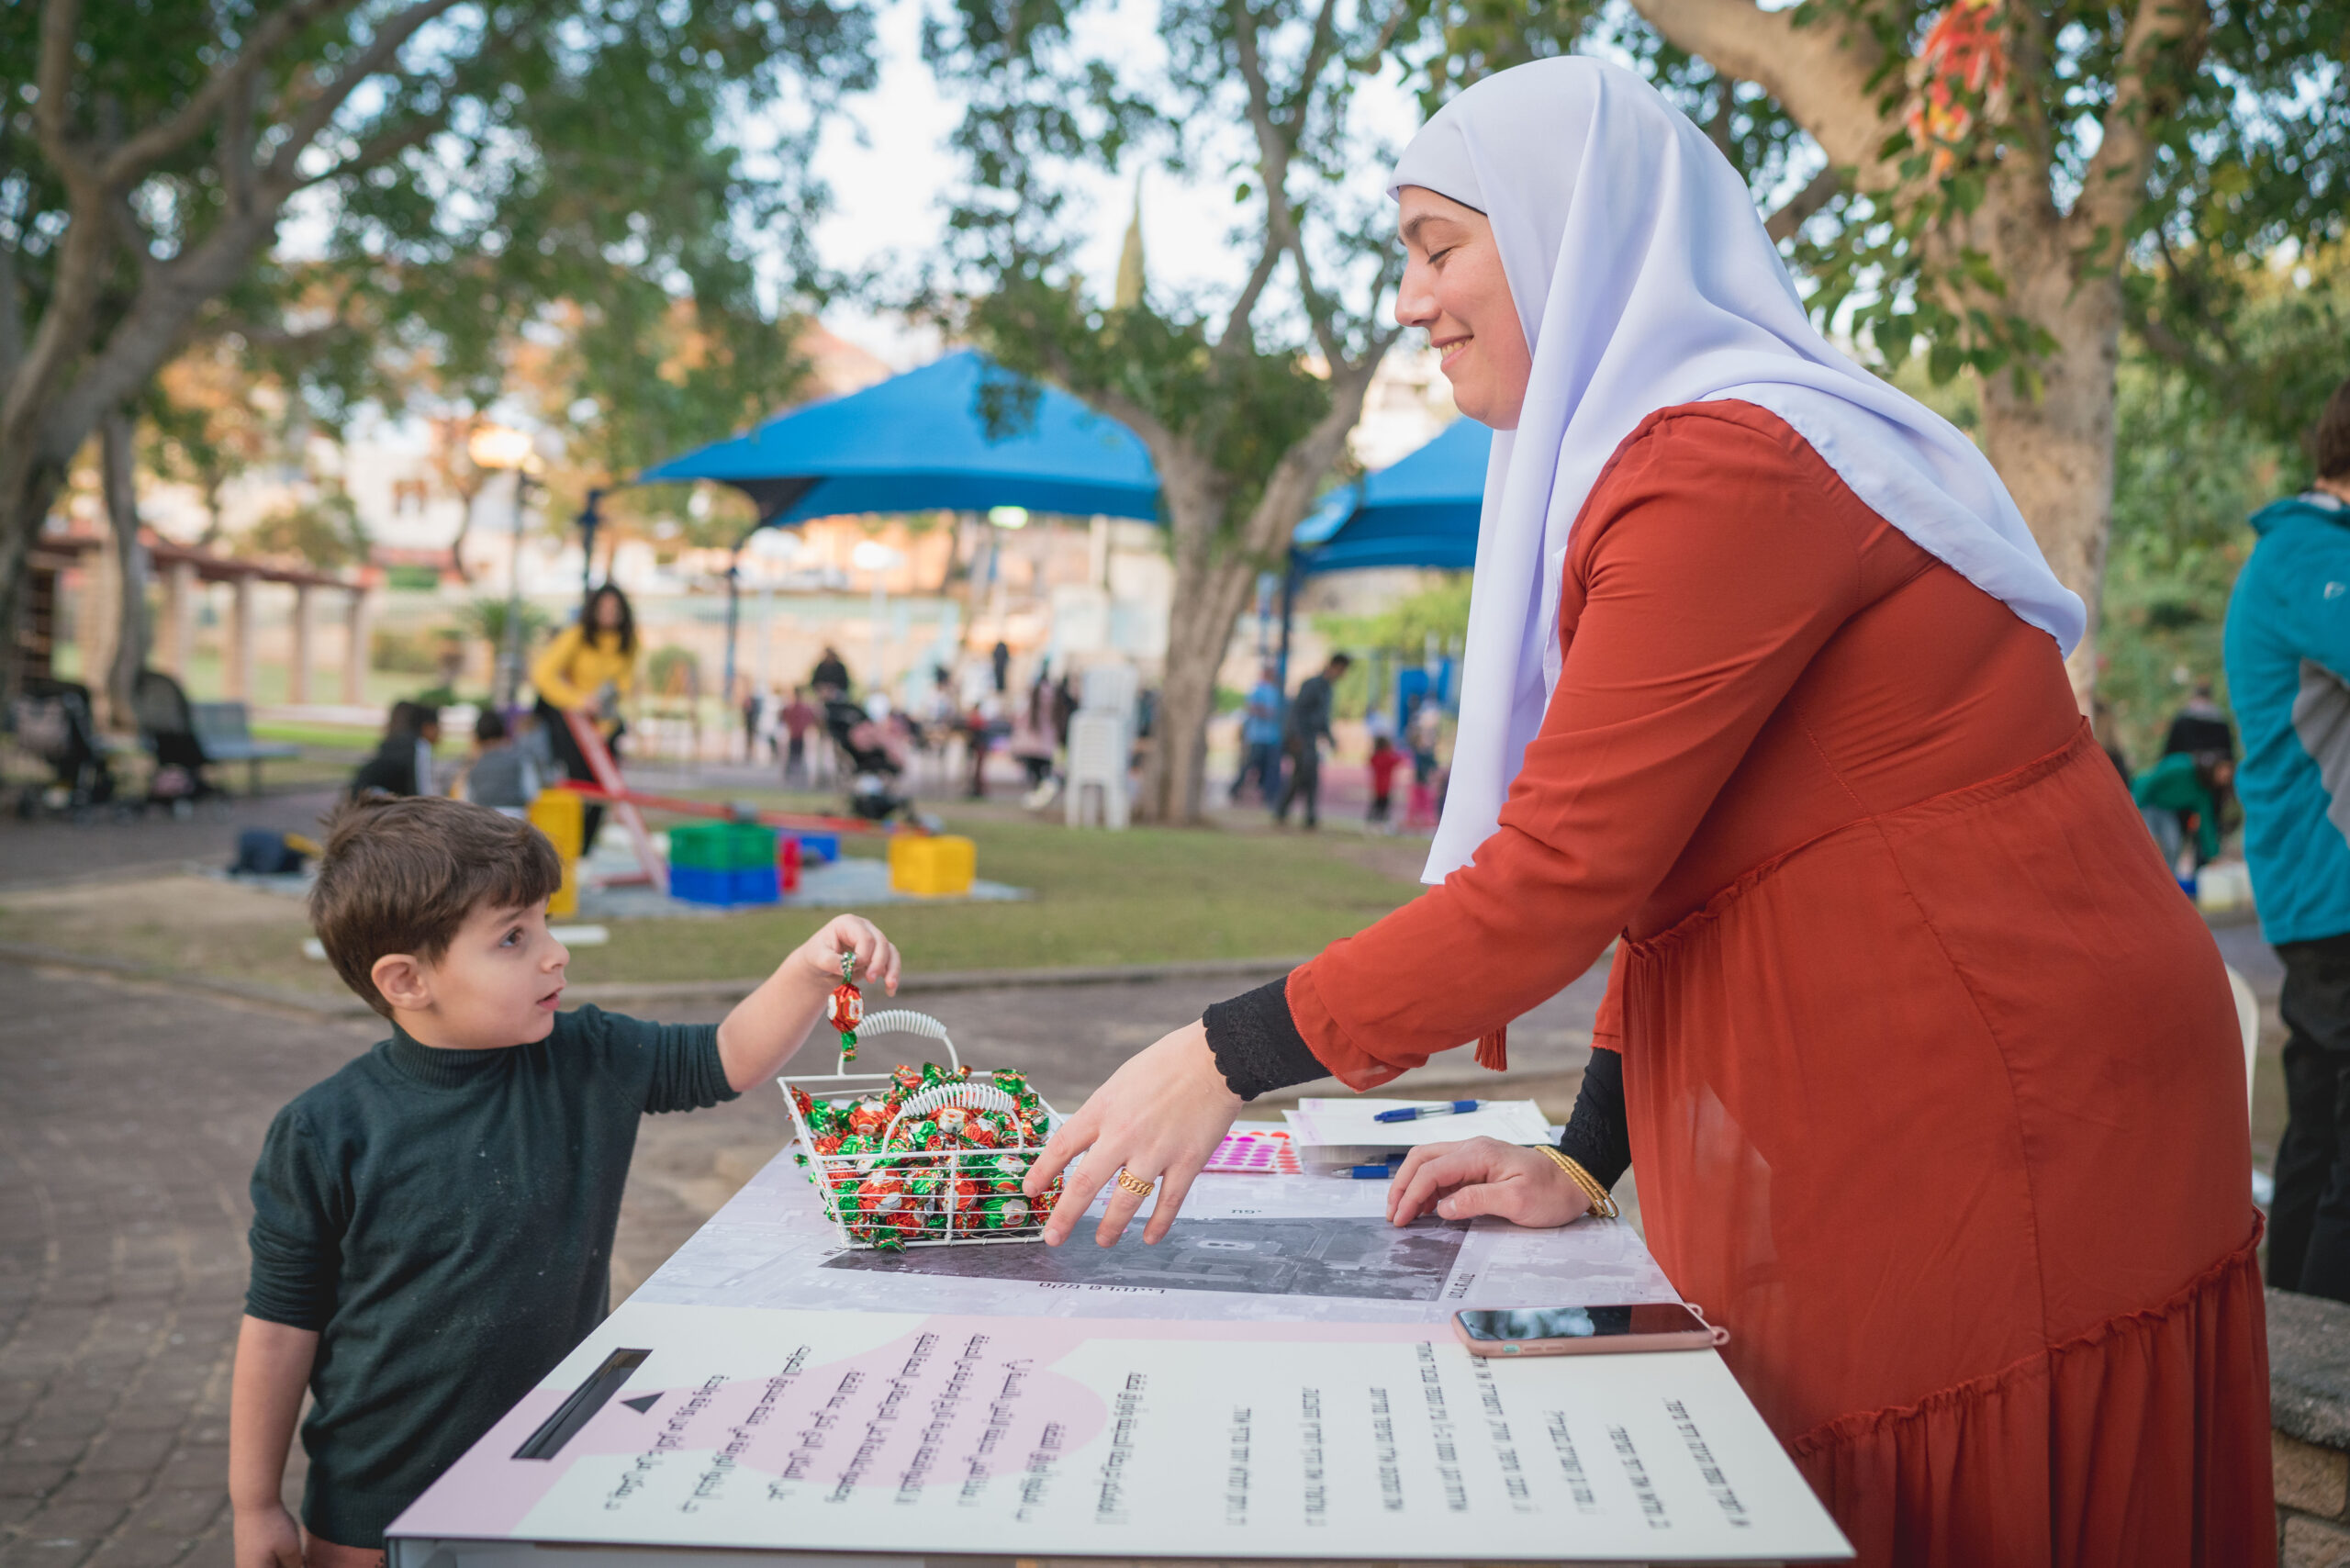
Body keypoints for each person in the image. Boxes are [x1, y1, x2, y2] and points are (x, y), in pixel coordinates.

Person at [1028, 59, 2268, 1564]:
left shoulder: (1725, 463)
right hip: (1946, 1070)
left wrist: (1222, 1056)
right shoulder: (1680, 456)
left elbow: (1558, 878)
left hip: (2006, 1097)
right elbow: (1666, 872)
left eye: (1437, 246)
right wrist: (1586, 1152)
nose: (1409, 303)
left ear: (1569, 229)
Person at [227, 796, 902, 1568]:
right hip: (378, 1507)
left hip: (555, 1473)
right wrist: (255, 1503)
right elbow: (279, 1328)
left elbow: (725, 1057)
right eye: (513, 937)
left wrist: (808, 969)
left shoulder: (586, 1057)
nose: (555, 955)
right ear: (407, 980)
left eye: (545, 923)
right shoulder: (324, 1133)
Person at [2223, 373, 2350, 1308]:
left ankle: (2288, 1347)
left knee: (2317, 1135)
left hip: (2322, 885)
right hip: (2332, 883)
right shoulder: (2310, 556)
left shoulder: (2308, 552)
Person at [532, 584, 638, 852]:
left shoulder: (628, 642)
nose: (609, 613)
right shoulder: (577, 636)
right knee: (575, 786)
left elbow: (623, 685)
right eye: (604, 608)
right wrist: (579, 700)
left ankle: (585, 850)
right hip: (572, 718)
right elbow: (543, 674)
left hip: (603, 721)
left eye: (615, 608)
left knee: (604, 789)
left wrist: (605, 724)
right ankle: (565, 847)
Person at [1273, 654, 1350, 828]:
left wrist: (1330, 739)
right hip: (1301, 737)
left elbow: (1322, 719)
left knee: (1303, 776)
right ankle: (1303, 815)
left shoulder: (1327, 688)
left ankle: (1288, 812)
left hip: (1310, 737)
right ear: (1335, 667)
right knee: (1307, 775)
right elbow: (1297, 711)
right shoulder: (1313, 684)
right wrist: (1295, 736)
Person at [2131, 748, 2232, 876]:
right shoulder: (2182, 766)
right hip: (2144, 801)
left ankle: (2168, 880)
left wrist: (2213, 856)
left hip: (2166, 809)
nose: (2225, 777)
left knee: (2173, 844)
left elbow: (2206, 824)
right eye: (2223, 770)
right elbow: (2151, 780)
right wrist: (2135, 810)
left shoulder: (2203, 792)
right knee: (2149, 843)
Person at [349, 701, 439, 800]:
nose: (440, 733)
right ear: (427, 727)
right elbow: (421, 792)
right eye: (438, 727)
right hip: (373, 799)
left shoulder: (400, 741)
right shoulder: (419, 745)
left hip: (361, 794)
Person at [456, 709, 541, 814]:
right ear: (503, 733)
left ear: (478, 738)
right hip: (514, 816)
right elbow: (532, 793)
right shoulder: (519, 757)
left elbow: (465, 798)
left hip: (483, 817)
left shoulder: (473, 764)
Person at [1230, 666, 1285, 804]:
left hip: (1272, 737)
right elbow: (1252, 707)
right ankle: (1235, 790)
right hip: (1257, 736)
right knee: (1250, 765)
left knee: (1269, 767)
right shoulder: (1257, 690)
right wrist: (1267, 713)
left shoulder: (1275, 691)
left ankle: (1269, 795)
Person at [2164, 678, 2236, 760]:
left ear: (2194, 696)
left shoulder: (2183, 718)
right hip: (2215, 764)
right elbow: (2228, 754)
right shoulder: (2221, 720)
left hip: (2187, 763)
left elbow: (2169, 752)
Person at [779, 685, 819, 786]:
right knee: (794, 758)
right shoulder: (793, 708)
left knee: (797, 758)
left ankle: (800, 778)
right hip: (795, 735)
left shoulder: (795, 708)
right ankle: (797, 778)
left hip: (798, 735)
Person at [1366, 732, 1404, 828]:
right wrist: (1394, 751)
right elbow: (1399, 760)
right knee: (1384, 805)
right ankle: (1382, 820)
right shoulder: (1388, 757)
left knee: (1377, 803)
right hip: (1386, 786)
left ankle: (1372, 819)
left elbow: (1370, 761)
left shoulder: (1376, 757)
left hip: (1377, 786)